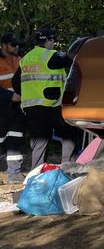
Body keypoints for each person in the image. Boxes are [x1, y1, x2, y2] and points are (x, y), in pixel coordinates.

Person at [12, 28, 76, 170]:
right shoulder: (51, 56)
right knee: (69, 135)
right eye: (53, 40)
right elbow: (72, 60)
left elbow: (16, 83)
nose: (54, 43)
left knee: (39, 144)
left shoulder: (26, 58)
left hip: (31, 108)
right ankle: (69, 169)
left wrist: (29, 94)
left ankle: (36, 175)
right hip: (51, 106)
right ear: (47, 40)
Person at [0, 32, 26, 183]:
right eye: (13, 44)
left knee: (15, 139)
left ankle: (14, 173)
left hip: (17, 107)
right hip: (2, 106)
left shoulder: (20, 60)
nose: (16, 47)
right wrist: (9, 96)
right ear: (3, 45)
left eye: (17, 45)